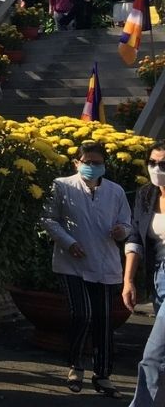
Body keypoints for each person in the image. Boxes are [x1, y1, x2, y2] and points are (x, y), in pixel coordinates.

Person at [43, 141, 131, 397]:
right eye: (88, 162)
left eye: (97, 163)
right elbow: (48, 218)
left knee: (104, 321)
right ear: (77, 163)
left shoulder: (115, 192)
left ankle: (103, 375)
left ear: (104, 165)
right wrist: (68, 243)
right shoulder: (62, 186)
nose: (92, 167)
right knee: (82, 315)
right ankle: (76, 366)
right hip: (72, 263)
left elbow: (127, 223)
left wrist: (121, 231)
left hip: (105, 263)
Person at [124, 141, 165, 406]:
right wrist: (128, 280)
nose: (156, 168)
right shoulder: (146, 194)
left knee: (154, 355)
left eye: (163, 164)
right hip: (158, 277)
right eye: (152, 162)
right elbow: (135, 237)